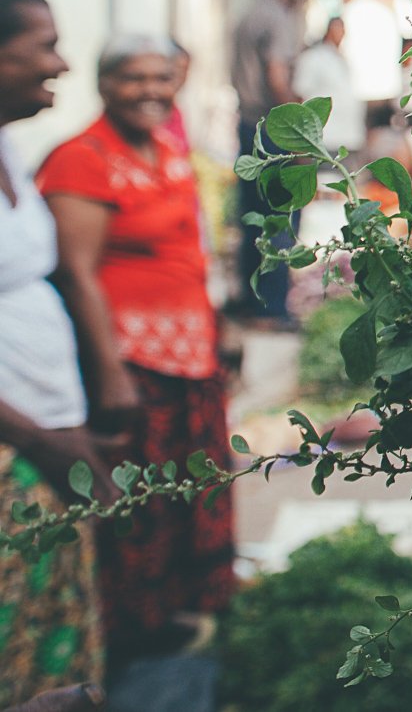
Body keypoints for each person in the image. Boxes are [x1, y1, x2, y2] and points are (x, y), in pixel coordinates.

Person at [37, 35, 234, 668]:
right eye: (132, 77)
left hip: (190, 351)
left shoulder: (168, 147)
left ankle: (182, 606)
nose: (150, 90)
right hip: (132, 358)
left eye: (162, 77)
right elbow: (77, 271)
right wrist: (111, 373)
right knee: (136, 498)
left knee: (186, 484)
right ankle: (134, 631)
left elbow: (189, 250)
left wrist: (218, 325)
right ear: (102, 83)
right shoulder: (82, 158)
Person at [0, 0, 112, 702]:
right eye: (45, 45)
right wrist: (39, 439)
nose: (64, 64)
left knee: (54, 630)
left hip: (48, 427)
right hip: (18, 444)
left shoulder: (9, 149)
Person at [231, 0, 301, 323]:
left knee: (253, 216)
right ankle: (272, 308)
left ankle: (251, 299)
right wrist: (297, 127)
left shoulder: (247, 13)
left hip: (247, 124)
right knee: (281, 218)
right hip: (272, 126)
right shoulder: (277, 16)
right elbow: (277, 76)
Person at [291, 16, 366, 154]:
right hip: (326, 139)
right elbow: (300, 96)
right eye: (336, 28)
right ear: (328, 30)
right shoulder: (312, 58)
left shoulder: (343, 59)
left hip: (349, 138)